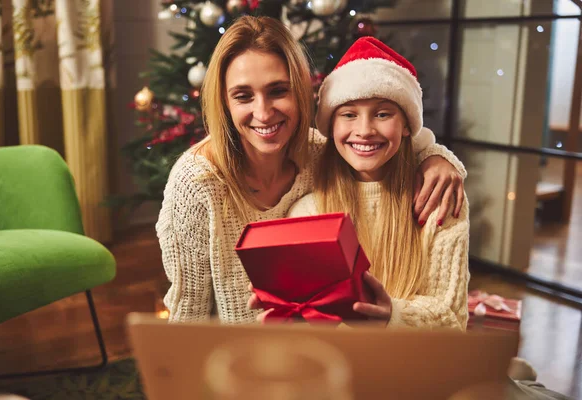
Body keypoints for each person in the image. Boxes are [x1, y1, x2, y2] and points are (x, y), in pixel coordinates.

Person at [157, 16, 467, 324]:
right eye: (243, 96)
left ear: (301, 92)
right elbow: (188, 316)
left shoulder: (320, 153)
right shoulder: (196, 183)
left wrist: (436, 156)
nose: (263, 113)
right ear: (224, 102)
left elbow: (378, 146)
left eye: (278, 90)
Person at [250, 36, 469, 329]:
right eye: (349, 115)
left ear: (407, 126)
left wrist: (393, 317)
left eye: (382, 113)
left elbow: (451, 318)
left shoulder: (438, 198)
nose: (364, 131)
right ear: (331, 126)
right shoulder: (309, 211)